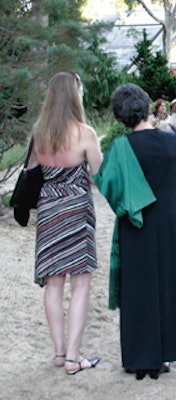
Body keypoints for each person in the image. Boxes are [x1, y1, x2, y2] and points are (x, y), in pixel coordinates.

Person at [94, 83, 176, 380]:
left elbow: (108, 188)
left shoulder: (120, 149)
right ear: (148, 107)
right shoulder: (172, 141)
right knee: (167, 282)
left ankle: (139, 359)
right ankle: (164, 357)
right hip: (169, 222)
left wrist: (136, 202)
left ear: (120, 116)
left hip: (135, 224)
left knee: (138, 288)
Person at [28, 72, 103, 374]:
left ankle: (59, 353)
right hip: (76, 210)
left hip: (48, 210)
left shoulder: (39, 132)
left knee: (53, 283)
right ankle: (74, 358)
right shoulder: (85, 133)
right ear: (75, 96)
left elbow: (33, 172)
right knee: (81, 282)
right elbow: (98, 172)